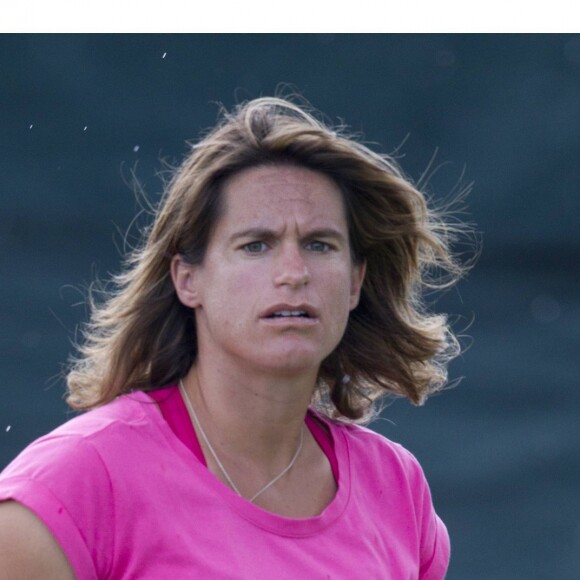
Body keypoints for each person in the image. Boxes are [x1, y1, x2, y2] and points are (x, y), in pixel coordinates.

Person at [0, 96, 470, 578]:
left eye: (319, 244)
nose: (294, 272)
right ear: (188, 279)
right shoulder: (72, 486)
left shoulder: (396, 487)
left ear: (354, 282)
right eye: (256, 245)